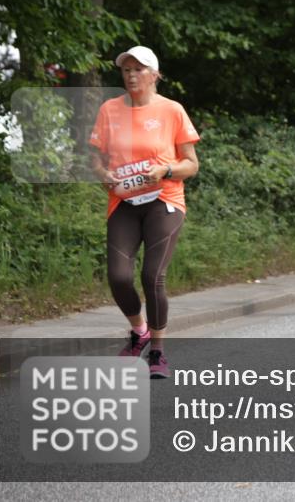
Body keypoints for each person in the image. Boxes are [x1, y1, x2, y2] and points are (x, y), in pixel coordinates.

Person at [89, 46, 200, 379]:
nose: (131, 75)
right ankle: (139, 332)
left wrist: (165, 170)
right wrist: (102, 173)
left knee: (153, 276)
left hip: (164, 200)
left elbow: (191, 165)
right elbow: (94, 158)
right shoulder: (109, 110)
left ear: (155, 75)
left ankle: (157, 353)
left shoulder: (172, 110)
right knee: (119, 277)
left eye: (139, 69)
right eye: (126, 70)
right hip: (123, 201)